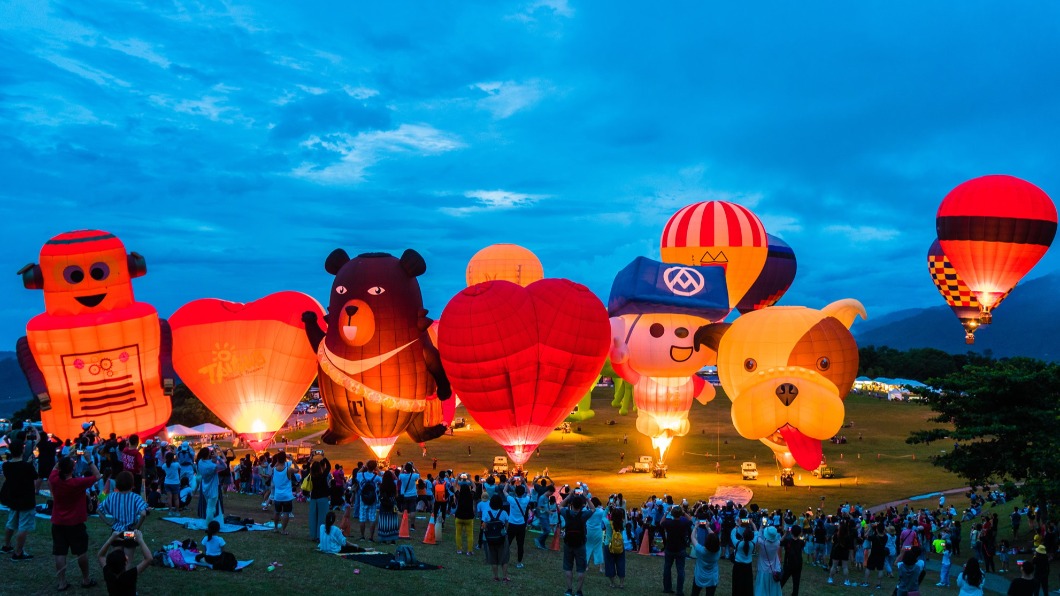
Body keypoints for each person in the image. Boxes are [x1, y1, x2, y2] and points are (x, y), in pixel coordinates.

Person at [50, 455, 101, 590]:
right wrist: (89, 460)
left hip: (58, 522)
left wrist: (66, 458)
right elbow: (97, 475)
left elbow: (56, 467)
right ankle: (86, 579)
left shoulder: (54, 479)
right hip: (75, 523)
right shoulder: (77, 483)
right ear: (73, 469)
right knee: (81, 551)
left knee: (60, 552)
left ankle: (62, 583)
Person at [1, 441, 38, 561]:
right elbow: (34, 476)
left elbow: (17, 472)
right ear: (22, 451)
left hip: (13, 498)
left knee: (11, 522)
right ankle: (18, 552)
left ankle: (6, 546)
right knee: (23, 526)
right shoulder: (27, 466)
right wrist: (31, 464)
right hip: (26, 499)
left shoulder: (6, 466)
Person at [560, 492, 595, 596]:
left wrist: (569, 496)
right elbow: (593, 509)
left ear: (571, 504)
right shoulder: (583, 515)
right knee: (581, 568)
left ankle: (569, 589)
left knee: (568, 567)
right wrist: (587, 498)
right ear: (581, 505)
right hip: (580, 544)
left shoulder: (567, 513)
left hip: (568, 543)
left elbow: (560, 505)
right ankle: (578, 591)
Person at [98, 530, 152, 595]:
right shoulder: (130, 575)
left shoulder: (107, 572)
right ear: (126, 563)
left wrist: (110, 539)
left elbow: (100, 556)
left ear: (108, 563)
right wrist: (140, 540)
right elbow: (149, 558)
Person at [97, 471, 148, 537]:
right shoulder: (136, 497)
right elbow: (143, 514)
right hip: (130, 531)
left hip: (116, 531)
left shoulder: (112, 496)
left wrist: (108, 522)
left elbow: (98, 510)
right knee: (129, 547)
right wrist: (136, 527)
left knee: (117, 547)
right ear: (132, 483)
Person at [660, 504, 693, 595]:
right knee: (680, 570)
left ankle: (667, 588)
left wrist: (667, 512)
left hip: (670, 548)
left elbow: (661, 522)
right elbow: (691, 520)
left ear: (672, 514)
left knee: (667, 568)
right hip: (680, 549)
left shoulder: (669, 522)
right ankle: (679, 590)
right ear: (680, 514)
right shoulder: (684, 522)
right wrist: (684, 512)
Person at [482, 493, 511, 582]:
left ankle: (495, 577)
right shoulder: (504, 513)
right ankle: (505, 577)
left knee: (493, 558)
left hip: (490, 539)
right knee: (504, 558)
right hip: (502, 538)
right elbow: (507, 525)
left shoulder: (487, 512)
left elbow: (484, 526)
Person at [503, 480, 532, 568]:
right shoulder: (526, 500)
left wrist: (508, 482)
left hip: (512, 524)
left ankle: (503, 559)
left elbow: (504, 491)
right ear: (523, 493)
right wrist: (524, 482)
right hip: (521, 525)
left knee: (507, 543)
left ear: (515, 492)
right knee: (520, 544)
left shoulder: (512, 500)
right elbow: (529, 492)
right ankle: (519, 562)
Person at [690, 522, 720, 596]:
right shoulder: (718, 551)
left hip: (700, 576)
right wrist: (708, 527)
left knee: (695, 593)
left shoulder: (701, 550)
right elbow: (715, 538)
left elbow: (693, 537)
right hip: (712, 577)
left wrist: (696, 527)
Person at [306, 455, 332, 541]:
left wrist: (310, 458)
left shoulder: (311, 476)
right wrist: (324, 457)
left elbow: (307, 466)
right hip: (322, 498)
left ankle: (313, 535)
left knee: (313, 517)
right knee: (322, 518)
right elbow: (329, 467)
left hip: (313, 498)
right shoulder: (323, 476)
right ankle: (319, 536)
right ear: (320, 468)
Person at [195, 447, 223, 524]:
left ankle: (211, 520)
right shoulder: (212, 466)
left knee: (210, 506)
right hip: (213, 488)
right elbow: (224, 466)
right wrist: (217, 457)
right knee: (210, 508)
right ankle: (209, 524)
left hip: (205, 486)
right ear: (208, 454)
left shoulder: (200, 462)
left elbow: (209, 461)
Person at [270, 451, 296, 535]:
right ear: (285, 459)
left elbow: (273, 468)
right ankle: (283, 530)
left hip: (278, 495)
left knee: (277, 512)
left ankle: (275, 527)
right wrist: (293, 460)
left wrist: (278, 459)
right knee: (286, 513)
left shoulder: (274, 469)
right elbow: (297, 470)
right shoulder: (288, 469)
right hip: (287, 495)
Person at [355, 460, 380, 542]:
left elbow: (356, 474)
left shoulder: (361, 475)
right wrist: (377, 469)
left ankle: (362, 536)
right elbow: (382, 477)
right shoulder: (376, 477)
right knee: (372, 518)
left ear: (367, 466)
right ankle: (371, 537)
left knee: (362, 518)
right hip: (373, 499)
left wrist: (363, 467)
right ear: (374, 467)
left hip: (363, 499)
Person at [755, 523, 783, 596]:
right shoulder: (777, 543)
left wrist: (761, 527)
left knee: (762, 584)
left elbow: (758, 536)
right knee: (772, 585)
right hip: (773, 567)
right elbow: (778, 538)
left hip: (762, 566)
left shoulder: (763, 543)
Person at [604, 506, 628, 589]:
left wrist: (608, 507)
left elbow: (603, 516)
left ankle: (612, 583)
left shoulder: (608, 523)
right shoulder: (622, 524)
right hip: (620, 545)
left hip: (609, 545)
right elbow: (625, 517)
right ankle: (621, 583)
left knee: (609, 564)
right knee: (621, 564)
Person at [731, 520, 757, 595]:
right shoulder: (753, 544)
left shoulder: (738, 544)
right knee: (747, 585)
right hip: (748, 567)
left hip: (738, 566)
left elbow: (732, 534)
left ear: (743, 535)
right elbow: (756, 533)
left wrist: (737, 525)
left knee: (737, 584)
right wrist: (752, 523)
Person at [454, 476, 476, 556]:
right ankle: (469, 551)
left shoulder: (458, 495)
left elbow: (454, 486)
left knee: (458, 534)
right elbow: (474, 486)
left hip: (459, 517)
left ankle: (459, 550)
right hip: (469, 517)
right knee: (469, 535)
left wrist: (457, 477)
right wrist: (469, 478)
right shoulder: (471, 495)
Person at [779, 524, 804, 596]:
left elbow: (780, 542)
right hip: (798, 564)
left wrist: (785, 533)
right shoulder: (801, 542)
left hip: (788, 564)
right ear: (799, 533)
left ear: (791, 532)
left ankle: (777, 592)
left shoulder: (787, 541)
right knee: (796, 583)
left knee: (782, 580)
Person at [376, 470, 400, 544]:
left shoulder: (382, 485)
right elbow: (396, 495)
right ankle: (393, 539)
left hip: (383, 505)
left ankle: (383, 538)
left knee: (383, 520)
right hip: (393, 504)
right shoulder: (394, 484)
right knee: (394, 520)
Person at [585, 496, 608, 574]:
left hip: (589, 532)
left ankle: (586, 566)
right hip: (598, 532)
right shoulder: (600, 511)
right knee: (598, 549)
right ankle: (601, 568)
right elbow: (605, 511)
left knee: (588, 548)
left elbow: (584, 508)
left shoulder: (587, 511)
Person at [397, 462, 419, 531]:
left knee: (404, 510)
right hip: (413, 495)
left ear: (405, 469)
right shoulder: (414, 476)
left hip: (405, 495)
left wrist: (403, 467)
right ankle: (412, 525)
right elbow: (419, 474)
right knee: (412, 510)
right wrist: (414, 466)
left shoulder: (402, 476)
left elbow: (399, 474)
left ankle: (404, 524)